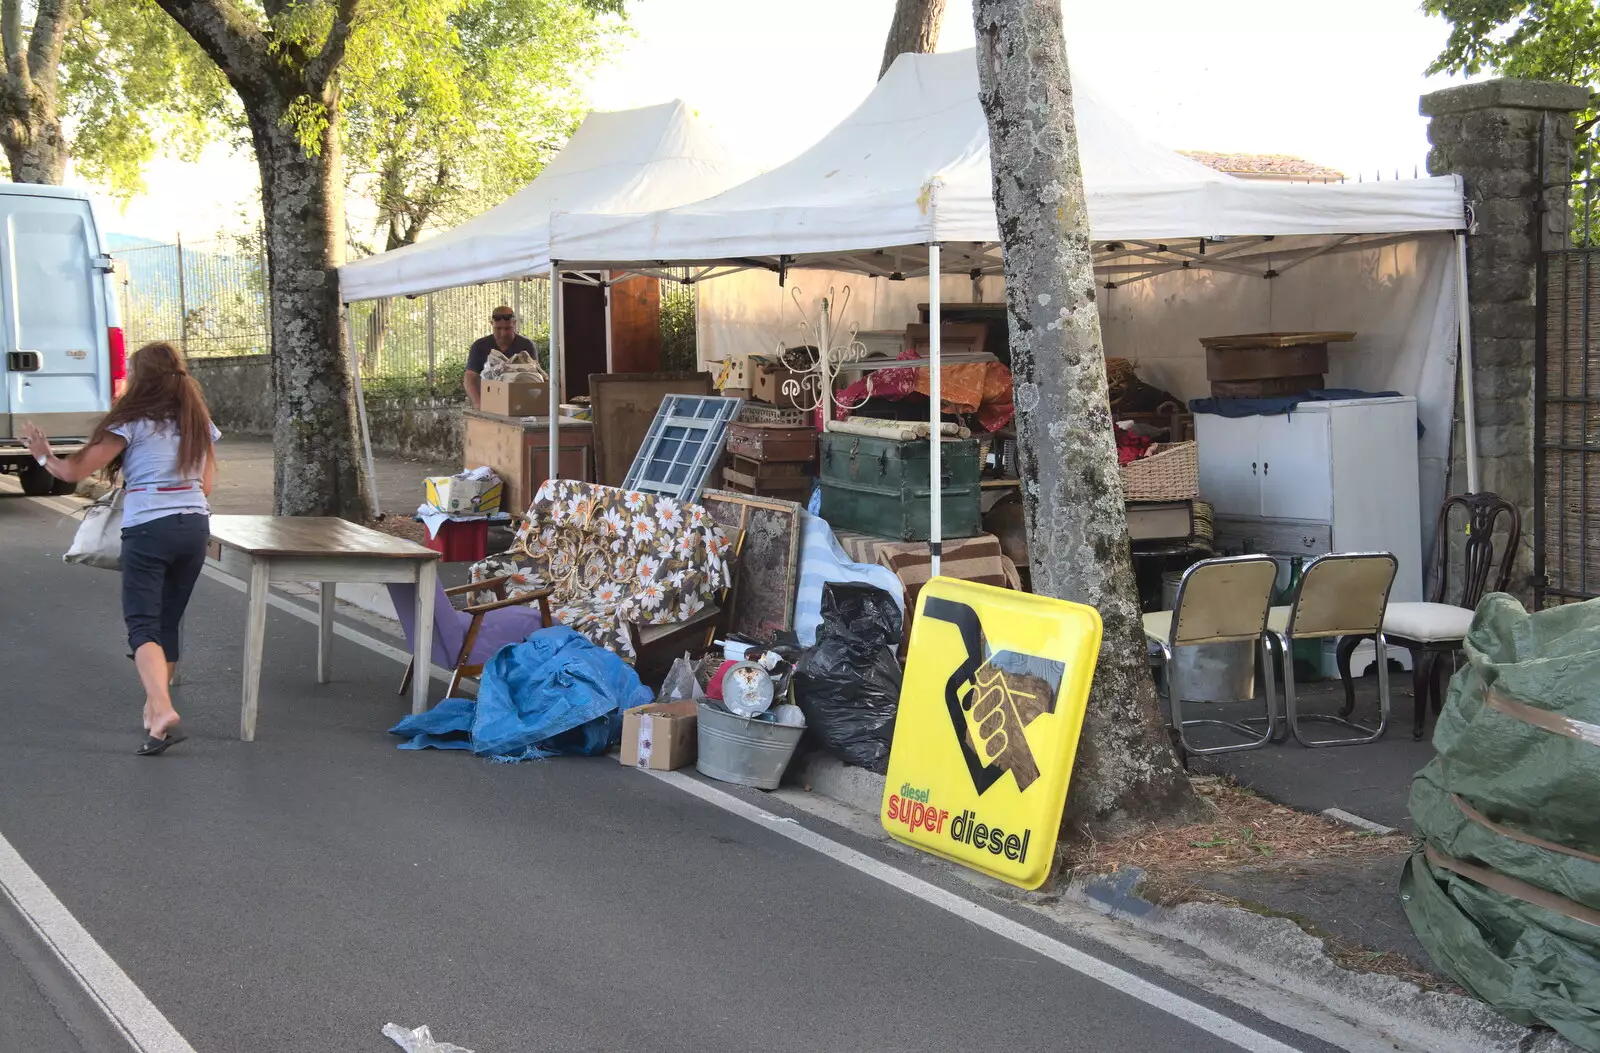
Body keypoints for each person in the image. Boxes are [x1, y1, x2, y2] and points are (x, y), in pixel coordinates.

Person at [21, 341, 220, 756]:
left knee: (143, 625)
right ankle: (155, 722)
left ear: (138, 376)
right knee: (167, 622)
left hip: (149, 526)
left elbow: (74, 471)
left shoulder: (131, 421)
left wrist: (42, 457)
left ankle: (162, 710)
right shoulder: (198, 420)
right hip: (194, 524)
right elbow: (207, 483)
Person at [463, 306, 537, 409]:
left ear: (514, 323)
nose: (503, 333)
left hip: (519, 404)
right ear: (491, 324)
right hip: (488, 403)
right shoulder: (479, 346)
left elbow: (535, 378)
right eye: (498, 329)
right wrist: (477, 403)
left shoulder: (527, 345)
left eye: (508, 329)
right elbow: (470, 377)